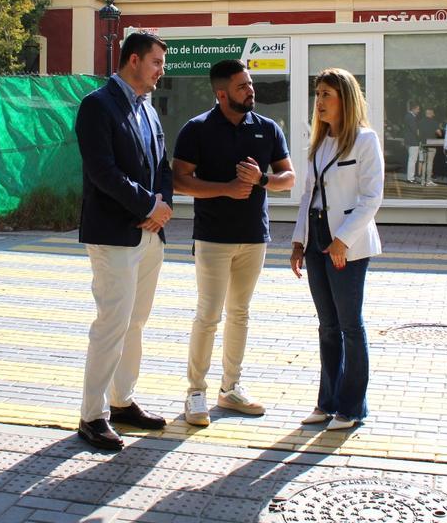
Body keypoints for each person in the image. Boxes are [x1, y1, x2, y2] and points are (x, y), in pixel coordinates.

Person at [173, 59, 295, 427]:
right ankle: (196, 392)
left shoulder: (268, 128)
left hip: (254, 236)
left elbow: (287, 177)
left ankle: (231, 387)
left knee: (240, 314)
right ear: (221, 93)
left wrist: (261, 181)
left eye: (251, 84)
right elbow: (178, 180)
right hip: (212, 237)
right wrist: (225, 189)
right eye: (243, 86)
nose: (251, 91)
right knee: (208, 315)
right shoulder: (197, 129)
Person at [74, 30, 174, 452]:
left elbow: (161, 165)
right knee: (112, 324)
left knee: (135, 323)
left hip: (149, 236)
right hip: (114, 235)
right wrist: (147, 206)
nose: (160, 73)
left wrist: (161, 206)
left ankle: (122, 401)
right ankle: (91, 416)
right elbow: (103, 172)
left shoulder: (148, 109)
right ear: (133, 60)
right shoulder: (97, 106)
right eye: (156, 63)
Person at [290, 68, 384, 431]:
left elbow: (371, 196)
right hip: (316, 238)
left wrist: (343, 239)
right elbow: (307, 196)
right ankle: (326, 402)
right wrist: (299, 241)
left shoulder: (364, 139)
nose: (320, 101)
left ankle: (352, 407)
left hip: (347, 243)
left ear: (345, 98)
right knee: (327, 326)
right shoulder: (319, 142)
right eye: (317, 94)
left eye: (326, 94)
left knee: (349, 326)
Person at [418, 107, 441, 186]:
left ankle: (422, 180)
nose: (434, 115)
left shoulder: (421, 122)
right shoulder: (434, 122)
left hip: (423, 143)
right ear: (431, 114)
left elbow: (418, 133)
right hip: (432, 144)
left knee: (424, 162)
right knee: (430, 163)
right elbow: (439, 133)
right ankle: (428, 181)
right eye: (433, 113)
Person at [403, 101, 422, 183]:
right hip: (413, 141)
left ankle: (410, 177)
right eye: (417, 109)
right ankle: (410, 178)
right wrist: (421, 136)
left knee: (412, 159)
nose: (418, 111)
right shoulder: (410, 117)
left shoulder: (408, 116)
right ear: (413, 109)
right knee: (412, 160)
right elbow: (415, 130)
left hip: (409, 141)